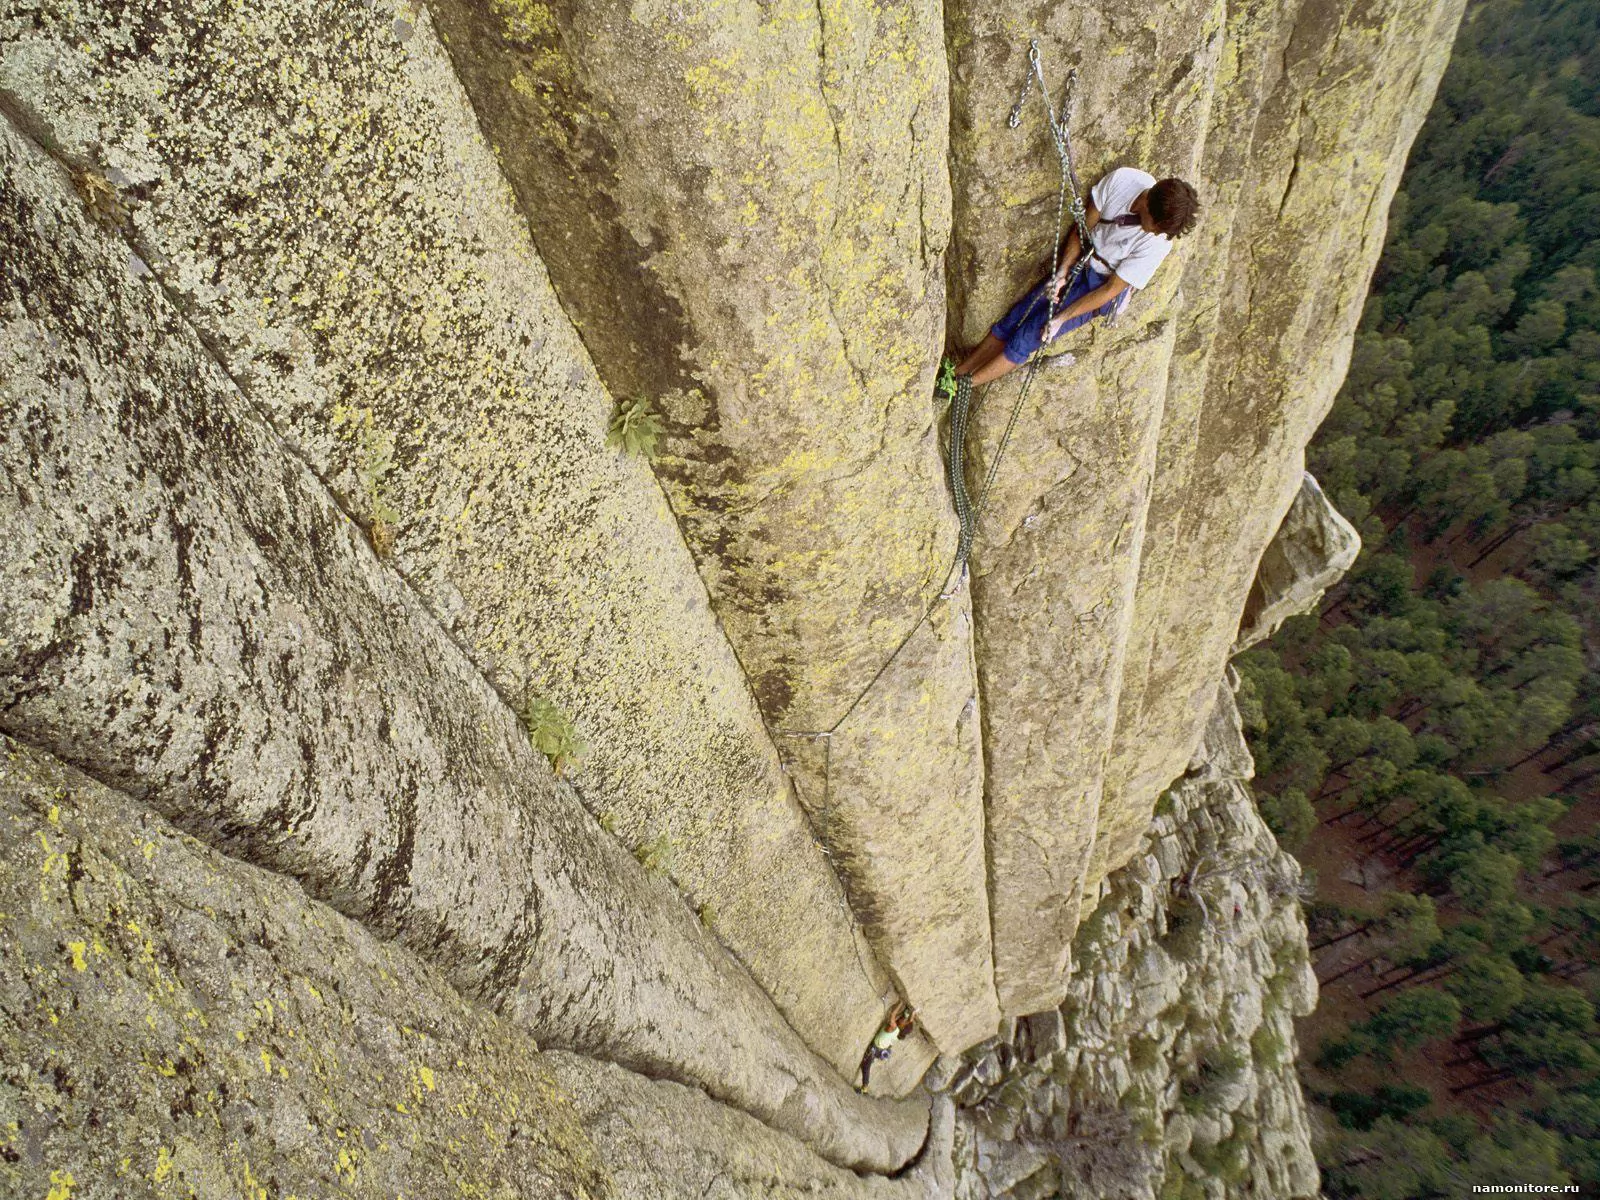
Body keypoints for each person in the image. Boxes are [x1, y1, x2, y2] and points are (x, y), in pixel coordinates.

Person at [955, 168, 1199, 386]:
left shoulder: (1157, 244)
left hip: (1101, 285)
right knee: (1018, 316)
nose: (1157, 233)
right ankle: (958, 372)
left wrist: (1061, 319)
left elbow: (1109, 291)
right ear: (1148, 205)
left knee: (1031, 334)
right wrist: (1061, 273)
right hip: (1084, 258)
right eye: (1157, 227)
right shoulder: (1124, 181)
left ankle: (965, 387)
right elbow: (1082, 230)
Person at [857, 1001, 916, 1092]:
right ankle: (865, 1086)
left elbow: (893, 1014)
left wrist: (901, 1002)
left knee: (865, 1066)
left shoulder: (893, 1028)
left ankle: (865, 1087)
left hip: (875, 1049)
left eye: (905, 1020)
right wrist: (912, 1014)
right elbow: (909, 1023)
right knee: (868, 1063)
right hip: (881, 1050)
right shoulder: (900, 1034)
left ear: (902, 1026)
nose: (903, 1019)